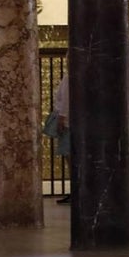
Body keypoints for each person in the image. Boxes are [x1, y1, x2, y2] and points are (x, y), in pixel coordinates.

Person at [52, 72, 71, 204]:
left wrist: (62, 118)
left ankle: (77, 190)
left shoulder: (69, 77)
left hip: (68, 123)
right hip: (76, 122)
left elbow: (65, 99)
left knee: (70, 157)